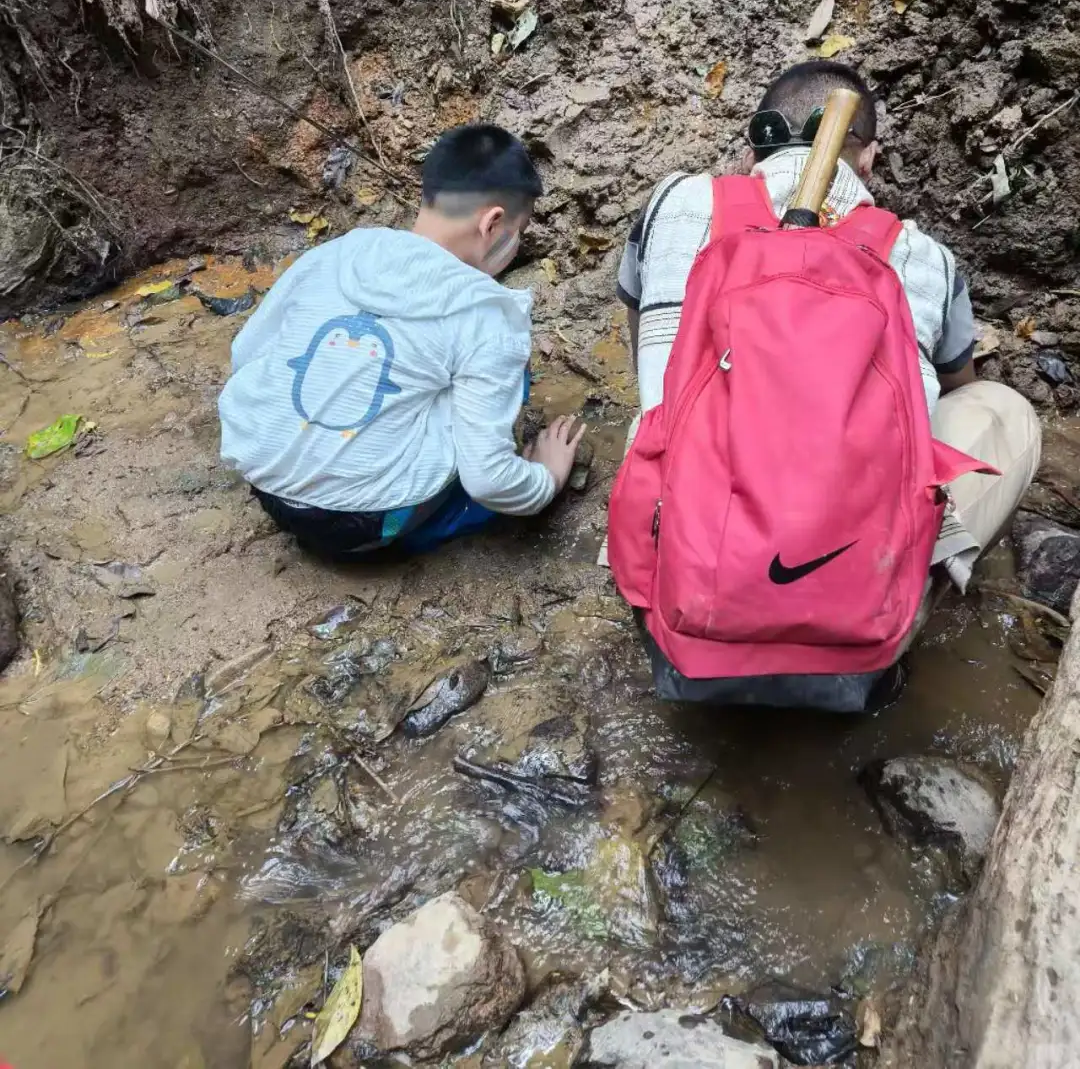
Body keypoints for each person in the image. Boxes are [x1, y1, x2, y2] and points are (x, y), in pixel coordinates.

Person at [610, 61, 1041, 711]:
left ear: (754, 146)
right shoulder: (923, 256)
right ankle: (893, 618)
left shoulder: (673, 202)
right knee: (1003, 410)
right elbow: (958, 386)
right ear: (867, 158)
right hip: (852, 646)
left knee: (660, 402)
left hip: (679, 608)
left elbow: (638, 330)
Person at [220, 123, 584, 559]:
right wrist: (546, 480)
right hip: (362, 527)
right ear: (493, 224)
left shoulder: (338, 252)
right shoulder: (488, 313)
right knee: (509, 371)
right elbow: (488, 480)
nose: (515, 244)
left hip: (267, 490)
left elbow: (245, 352)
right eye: (518, 232)